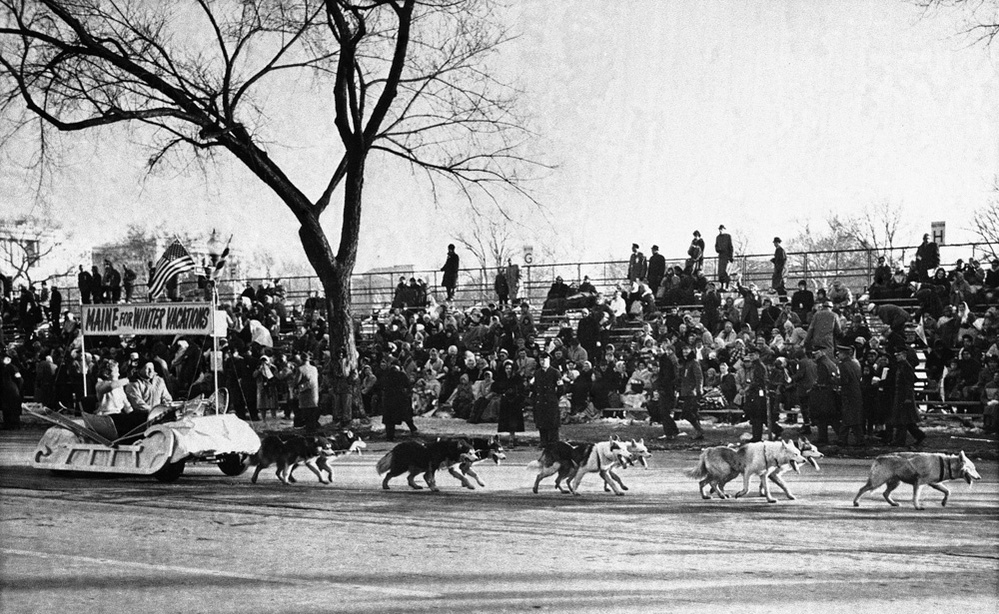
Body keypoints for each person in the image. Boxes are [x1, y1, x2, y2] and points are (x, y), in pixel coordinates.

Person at [95, 358, 148, 436]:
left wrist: (132, 413)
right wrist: (128, 379)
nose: (119, 374)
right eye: (116, 372)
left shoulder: (119, 386)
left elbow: (125, 402)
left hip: (118, 416)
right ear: (106, 373)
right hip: (107, 418)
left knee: (143, 417)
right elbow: (111, 386)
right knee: (124, 420)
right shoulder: (100, 384)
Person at [889, 345, 925, 447]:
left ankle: (900, 440)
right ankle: (919, 435)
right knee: (907, 420)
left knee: (902, 420)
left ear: (904, 355)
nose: (897, 356)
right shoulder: (901, 366)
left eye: (899, 354)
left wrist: (908, 398)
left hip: (904, 397)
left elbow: (909, 384)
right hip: (901, 396)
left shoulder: (906, 367)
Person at [530, 353, 562, 447]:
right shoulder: (537, 373)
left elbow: (561, 388)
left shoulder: (555, 372)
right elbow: (533, 386)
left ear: (549, 361)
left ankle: (553, 442)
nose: (543, 362)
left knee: (552, 423)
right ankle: (543, 441)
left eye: (545, 360)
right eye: (541, 360)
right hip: (540, 400)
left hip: (551, 401)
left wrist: (554, 397)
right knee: (541, 422)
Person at [810, 347, 841, 445]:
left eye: (815, 353)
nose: (814, 355)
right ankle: (841, 437)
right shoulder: (830, 362)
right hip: (831, 394)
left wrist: (815, 385)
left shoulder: (822, 364)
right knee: (832, 418)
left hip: (823, 395)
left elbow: (821, 381)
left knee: (822, 417)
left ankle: (823, 438)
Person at [381, 361, 417, 441]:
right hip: (400, 399)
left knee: (389, 420)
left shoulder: (387, 375)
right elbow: (407, 385)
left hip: (389, 400)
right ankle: (413, 429)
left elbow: (382, 386)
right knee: (406, 415)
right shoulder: (401, 375)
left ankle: (390, 436)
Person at [836, 345, 864, 447]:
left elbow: (845, 380)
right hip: (856, 394)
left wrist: (836, 380)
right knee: (855, 419)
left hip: (848, 395)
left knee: (847, 418)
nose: (838, 355)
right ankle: (859, 440)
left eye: (839, 353)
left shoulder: (843, 365)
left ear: (843, 354)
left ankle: (842, 440)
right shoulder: (853, 363)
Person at [677, 345, 705, 440]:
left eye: (686, 349)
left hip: (692, 392)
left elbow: (699, 377)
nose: (684, 351)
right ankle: (698, 431)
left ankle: (699, 430)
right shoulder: (686, 363)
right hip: (686, 391)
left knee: (686, 412)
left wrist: (698, 389)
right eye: (683, 349)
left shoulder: (694, 362)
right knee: (693, 412)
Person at [494, 360, 525, 446]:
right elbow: (495, 386)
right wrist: (502, 392)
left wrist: (517, 396)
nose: (508, 370)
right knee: (506, 420)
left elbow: (521, 388)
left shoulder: (517, 377)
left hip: (515, 402)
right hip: (506, 401)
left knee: (513, 421)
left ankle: (512, 437)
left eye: (510, 368)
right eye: (506, 368)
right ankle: (511, 437)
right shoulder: (501, 377)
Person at [741, 347, 768, 442]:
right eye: (750, 355)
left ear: (757, 355)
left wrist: (748, 388)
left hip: (758, 393)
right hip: (756, 392)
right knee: (756, 416)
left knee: (757, 416)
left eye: (752, 355)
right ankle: (756, 436)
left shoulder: (759, 366)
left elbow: (758, 381)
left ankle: (757, 437)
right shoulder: (756, 366)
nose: (751, 357)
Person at [296, 352, 320, 431]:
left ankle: (308, 427)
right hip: (314, 392)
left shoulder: (300, 369)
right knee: (313, 411)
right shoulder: (314, 368)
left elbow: (297, 381)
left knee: (306, 412)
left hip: (305, 392)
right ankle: (313, 426)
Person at [1, 351, 23, 430]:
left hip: (4, 391)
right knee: (14, 408)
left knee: (6, 409)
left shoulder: (3, 368)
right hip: (13, 391)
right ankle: (15, 424)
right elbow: (19, 379)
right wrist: (19, 389)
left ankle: (8, 424)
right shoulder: (13, 367)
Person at [715, 224, 734, 290]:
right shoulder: (718, 237)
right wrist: (718, 249)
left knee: (726, 272)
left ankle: (726, 286)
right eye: (720, 229)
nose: (721, 230)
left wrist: (731, 256)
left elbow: (730, 247)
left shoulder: (728, 236)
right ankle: (722, 285)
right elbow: (716, 247)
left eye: (722, 229)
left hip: (727, 256)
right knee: (721, 272)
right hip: (721, 256)